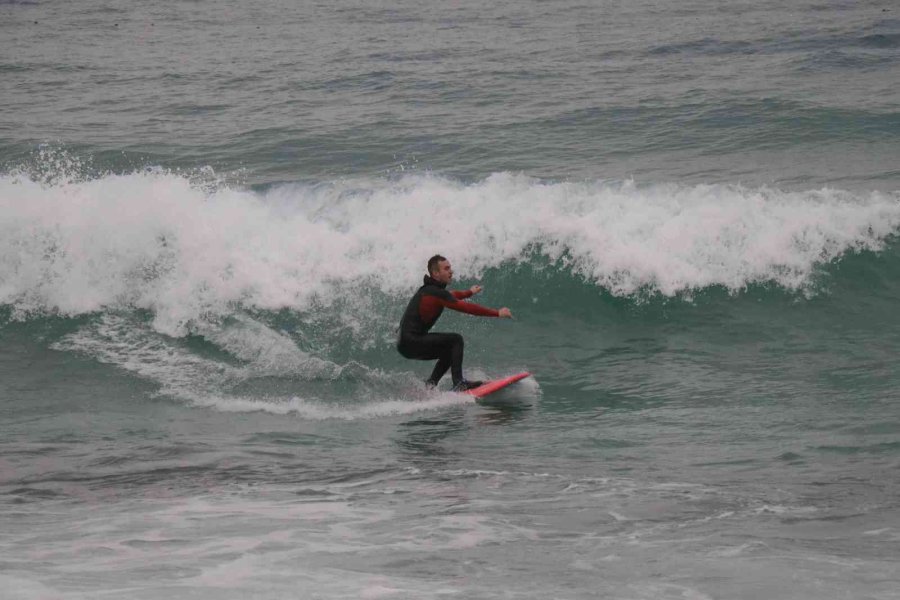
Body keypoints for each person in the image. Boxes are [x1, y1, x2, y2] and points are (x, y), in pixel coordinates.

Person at [397, 254, 512, 391]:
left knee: (448, 350)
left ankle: (430, 385)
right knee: (456, 340)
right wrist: (497, 313)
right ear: (435, 273)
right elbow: (467, 308)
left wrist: (469, 292)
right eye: (446, 268)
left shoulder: (430, 290)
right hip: (411, 340)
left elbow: (452, 295)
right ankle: (458, 383)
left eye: (450, 267)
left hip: (404, 342)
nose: (451, 271)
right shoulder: (434, 293)